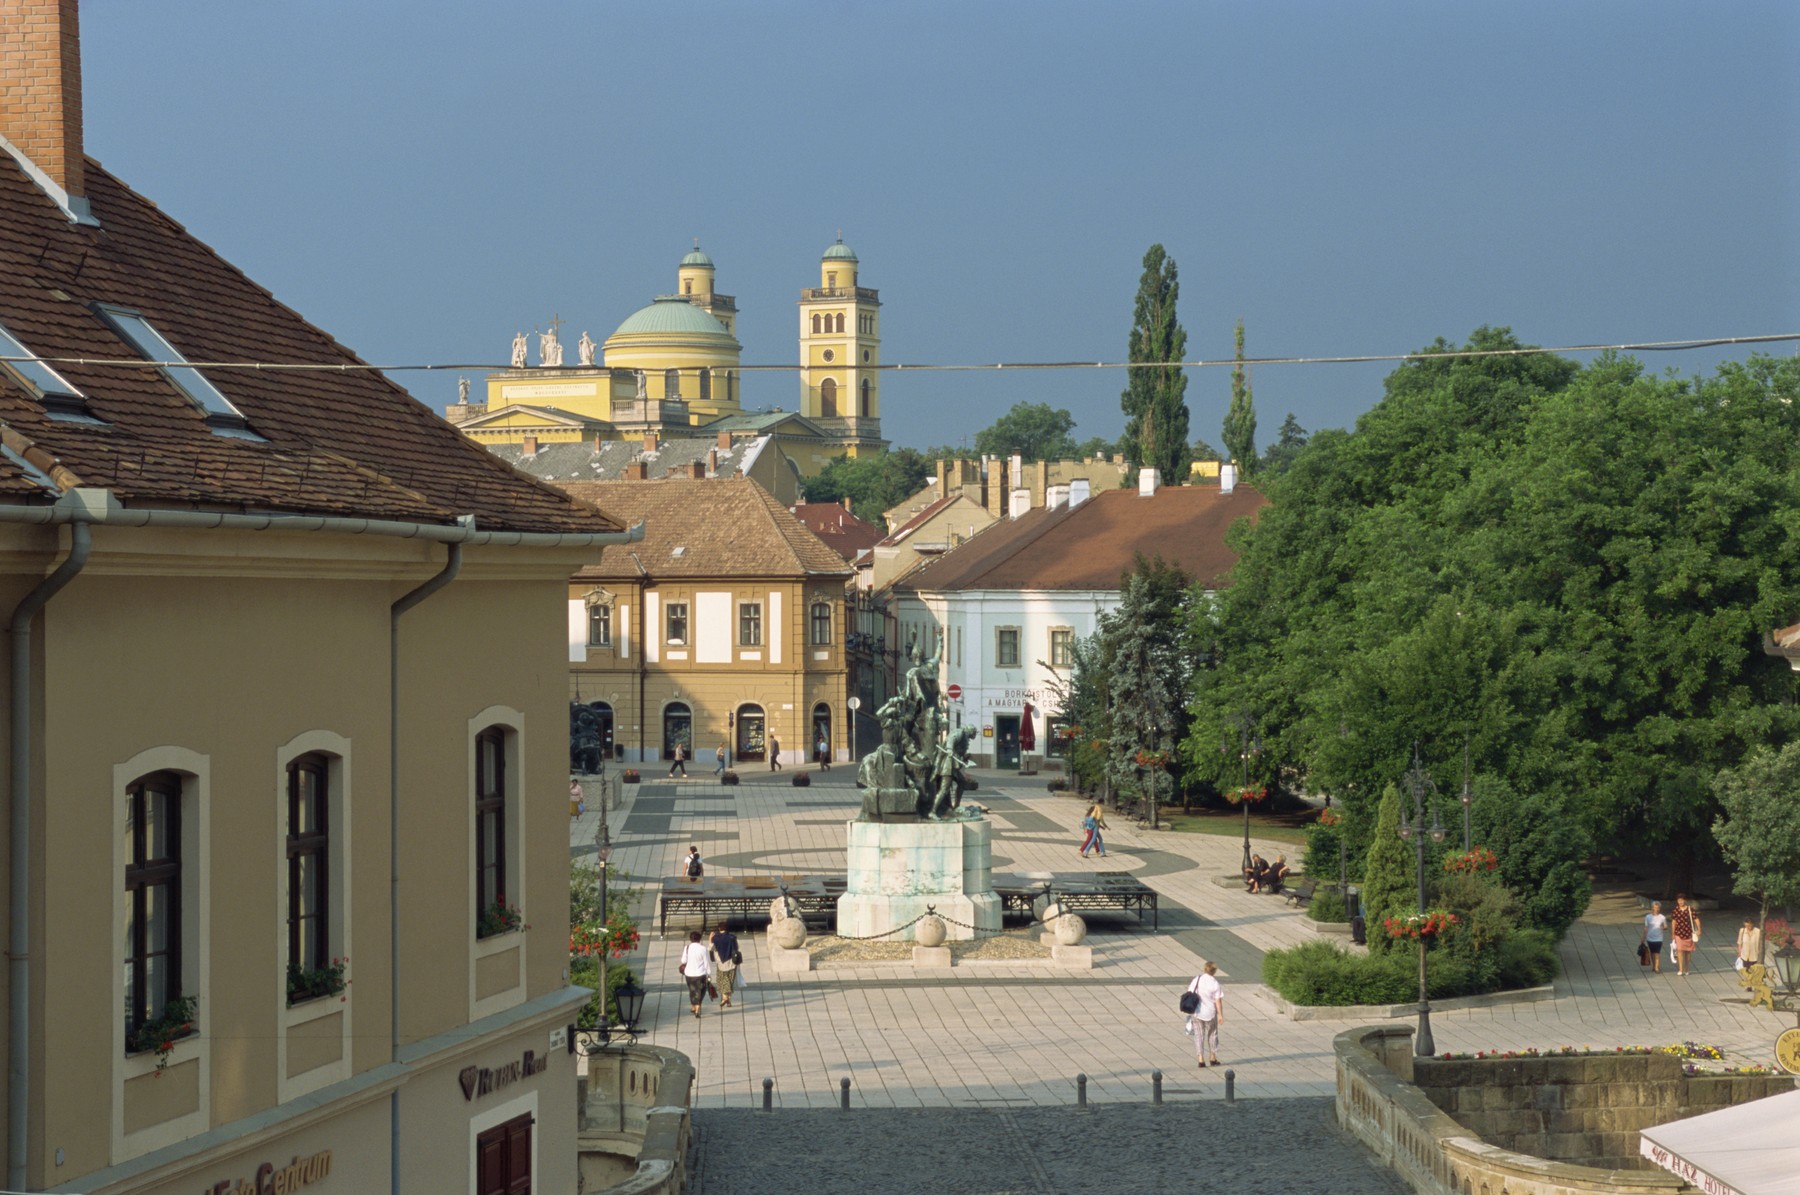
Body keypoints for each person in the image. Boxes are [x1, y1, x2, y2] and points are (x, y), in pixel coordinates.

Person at [1186, 960, 1224, 1067]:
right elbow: (1218, 1001)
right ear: (1214, 971)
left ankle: (1200, 1059)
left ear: (1205, 969)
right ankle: (1212, 1057)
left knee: (1199, 1035)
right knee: (1212, 1034)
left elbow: (1189, 992)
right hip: (1210, 1013)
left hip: (1197, 1012)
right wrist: (1220, 1015)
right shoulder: (1215, 983)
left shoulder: (1197, 979)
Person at [678, 930, 714, 1019]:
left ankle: (693, 1005)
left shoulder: (687, 947)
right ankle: (697, 1008)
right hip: (700, 974)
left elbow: (683, 961)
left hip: (689, 974)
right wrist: (709, 973)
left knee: (692, 991)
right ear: (699, 939)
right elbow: (706, 962)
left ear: (690, 939)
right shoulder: (703, 949)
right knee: (701, 991)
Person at [710, 921, 740, 1008]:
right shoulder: (732, 937)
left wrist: (710, 939)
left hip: (721, 963)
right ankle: (728, 1000)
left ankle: (725, 998)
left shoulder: (716, 938)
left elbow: (711, 948)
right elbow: (736, 948)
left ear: (719, 928)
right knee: (729, 981)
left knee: (722, 981)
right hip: (732, 962)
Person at [1670, 894, 1702, 977]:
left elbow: (1696, 919)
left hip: (1688, 933)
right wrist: (1672, 933)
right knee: (1679, 950)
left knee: (1688, 951)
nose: (1680, 902)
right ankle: (1680, 969)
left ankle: (1686, 967)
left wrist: (1699, 929)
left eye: (1682, 900)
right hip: (1678, 933)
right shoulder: (1675, 910)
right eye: (1679, 900)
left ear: (1685, 900)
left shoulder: (1690, 909)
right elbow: (1674, 922)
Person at [1641, 901, 1667, 974]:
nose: (1656, 909)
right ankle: (1654, 965)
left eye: (1658, 908)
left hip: (1659, 938)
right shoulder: (1648, 917)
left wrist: (1663, 928)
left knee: (1657, 952)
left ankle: (1657, 967)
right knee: (1652, 952)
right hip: (1650, 937)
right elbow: (1646, 927)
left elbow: (1666, 926)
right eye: (1655, 907)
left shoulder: (1662, 917)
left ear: (1659, 908)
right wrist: (1643, 938)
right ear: (1652, 908)